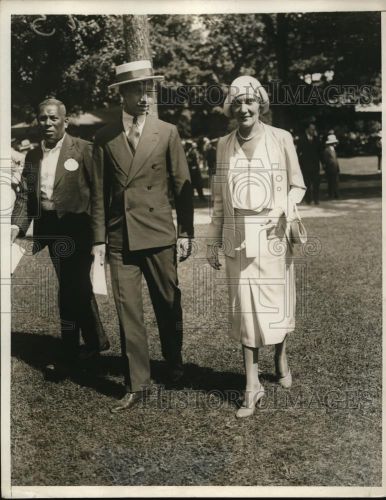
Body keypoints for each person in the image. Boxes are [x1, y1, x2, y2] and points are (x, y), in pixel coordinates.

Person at [91, 60, 194, 413]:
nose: (146, 97)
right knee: (128, 311)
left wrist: (186, 232)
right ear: (122, 94)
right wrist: (99, 239)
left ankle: (174, 361)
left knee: (168, 303)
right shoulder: (103, 138)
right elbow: (99, 195)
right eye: (138, 90)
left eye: (149, 89)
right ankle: (137, 382)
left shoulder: (167, 132)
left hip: (159, 234)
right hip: (121, 240)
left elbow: (183, 187)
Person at [206, 75, 306, 418]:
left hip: (274, 233)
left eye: (250, 101)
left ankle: (279, 354)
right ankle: (252, 384)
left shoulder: (281, 139)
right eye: (238, 103)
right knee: (244, 307)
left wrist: (283, 207)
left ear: (260, 103)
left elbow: (298, 186)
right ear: (231, 108)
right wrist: (212, 241)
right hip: (238, 235)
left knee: (276, 303)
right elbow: (219, 199)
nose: (244, 108)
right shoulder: (222, 145)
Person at [11, 98, 110, 378]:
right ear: (37, 121)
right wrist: (15, 227)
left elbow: (99, 194)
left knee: (69, 290)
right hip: (52, 230)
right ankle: (96, 340)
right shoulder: (32, 156)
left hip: (79, 229)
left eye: (54, 118)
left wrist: (99, 236)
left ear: (65, 121)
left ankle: (68, 356)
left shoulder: (84, 150)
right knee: (75, 285)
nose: (48, 123)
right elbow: (25, 196)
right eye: (42, 118)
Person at [297, 121, 321, 204]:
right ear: (307, 130)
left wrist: (322, 164)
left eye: (314, 129)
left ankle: (316, 199)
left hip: (315, 166)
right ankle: (308, 200)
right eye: (311, 129)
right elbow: (298, 152)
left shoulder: (317, 139)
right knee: (307, 183)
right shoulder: (302, 139)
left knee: (316, 184)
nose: (313, 131)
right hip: (305, 166)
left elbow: (319, 152)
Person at [321, 133, 340, 199]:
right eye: (334, 143)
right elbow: (326, 161)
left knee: (335, 182)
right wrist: (327, 168)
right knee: (331, 182)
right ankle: (331, 194)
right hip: (330, 169)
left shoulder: (333, 150)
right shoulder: (327, 150)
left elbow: (335, 160)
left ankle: (335, 194)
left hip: (335, 169)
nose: (335, 144)